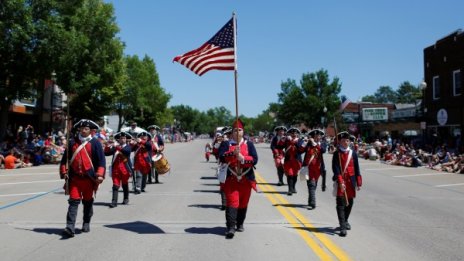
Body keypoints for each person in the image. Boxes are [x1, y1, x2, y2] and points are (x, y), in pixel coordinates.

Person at [59, 119, 106, 237]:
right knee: (73, 202)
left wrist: (100, 175)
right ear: (79, 129)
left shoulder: (95, 143)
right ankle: (70, 227)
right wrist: (64, 172)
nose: (84, 131)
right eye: (82, 129)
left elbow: (101, 161)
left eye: (86, 129)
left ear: (90, 131)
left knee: (87, 202)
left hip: (89, 179)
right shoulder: (72, 142)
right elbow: (65, 159)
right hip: (75, 178)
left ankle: (86, 222)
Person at [219, 119, 258, 239]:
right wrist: (232, 154)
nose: (237, 132)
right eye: (235, 130)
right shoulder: (226, 144)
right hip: (232, 179)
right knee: (232, 202)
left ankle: (240, 223)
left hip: (246, 179)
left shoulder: (249, 144)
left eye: (239, 130)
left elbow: (255, 159)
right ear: (232, 132)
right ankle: (230, 227)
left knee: (243, 203)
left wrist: (243, 158)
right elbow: (221, 156)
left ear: (243, 132)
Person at [332, 131, 362, 237]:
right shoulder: (337, 153)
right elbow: (335, 169)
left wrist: (358, 182)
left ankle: (345, 220)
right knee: (340, 203)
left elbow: (357, 168)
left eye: (347, 140)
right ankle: (342, 227)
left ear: (350, 142)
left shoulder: (352, 153)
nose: (345, 142)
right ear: (339, 141)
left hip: (351, 181)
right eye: (343, 140)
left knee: (350, 203)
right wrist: (340, 182)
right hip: (341, 181)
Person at [105, 131, 134, 208]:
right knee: (115, 185)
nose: (122, 139)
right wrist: (108, 146)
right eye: (121, 138)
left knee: (124, 184)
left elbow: (126, 152)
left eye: (124, 138)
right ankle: (114, 202)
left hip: (125, 169)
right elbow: (106, 153)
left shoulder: (127, 147)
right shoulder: (115, 147)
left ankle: (126, 198)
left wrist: (116, 147)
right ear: (119, 139)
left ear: (126, 139)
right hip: (116, 169)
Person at [301, 129, 326, 209]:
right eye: (316, 136)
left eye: (319, 136)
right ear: (312, 137)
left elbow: (323, 150)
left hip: (318, 169)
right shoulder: (308, 144)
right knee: (312, 184)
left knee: (313, 186)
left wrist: (315, 144)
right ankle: (313, 202)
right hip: (309, 168)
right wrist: (304, 142)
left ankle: (310, 199)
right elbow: (300, 151)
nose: (318, 137)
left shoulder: (322, 144)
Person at [283, 127, 305, 195]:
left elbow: (301, 149)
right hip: (288, 160)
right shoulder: (286, 140)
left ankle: (293, 187)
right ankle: (290, 189)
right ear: (290, 134)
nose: (294, 134)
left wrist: (293, 142)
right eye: (292, 133)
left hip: (296, 161)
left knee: (295, 175)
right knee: (290, 175)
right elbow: (280, 146)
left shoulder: (300, 140)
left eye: (295, 133)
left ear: (297, 134)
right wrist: (285, 139)